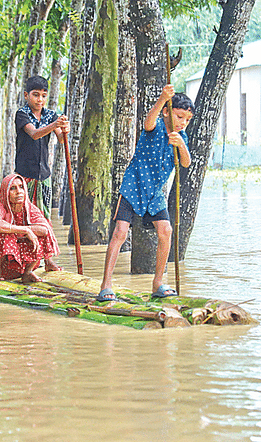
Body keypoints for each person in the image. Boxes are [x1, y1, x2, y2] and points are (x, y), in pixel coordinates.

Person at [97, 84, 194, 302]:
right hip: (134, 185)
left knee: (166, 231)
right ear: (168, 112)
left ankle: (157, 282)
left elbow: (186, 163)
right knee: (120, 232)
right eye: (179, 117)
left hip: (155, 193)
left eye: (187, 120)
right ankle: (106, 284)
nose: (182, 123)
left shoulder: (181, 138)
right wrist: (162, 99)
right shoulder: (157, 126)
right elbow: (148, 121)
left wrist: (181, 146)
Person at [0, 173, 62, 283]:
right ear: (6, 192)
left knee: (44, 233)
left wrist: (27, 231)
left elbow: (44, 229)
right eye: (13, 188)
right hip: (5, 263)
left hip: (23, 258)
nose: (19, 192)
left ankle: (28, 272)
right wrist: (24, 230)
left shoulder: (29, 207)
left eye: (21, 187)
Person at [15, 75, 69, 218]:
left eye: (44, 96)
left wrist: (65, 129)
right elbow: (34, 133)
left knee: (44, 216)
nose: (40, 100)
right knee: (23, 216)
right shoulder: (22, 114)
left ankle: (44, 241)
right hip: (24, 175)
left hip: (44, 175)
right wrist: (55, 124)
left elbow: (62, 139)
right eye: (36, 95)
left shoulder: (50, 115)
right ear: (27, 95)